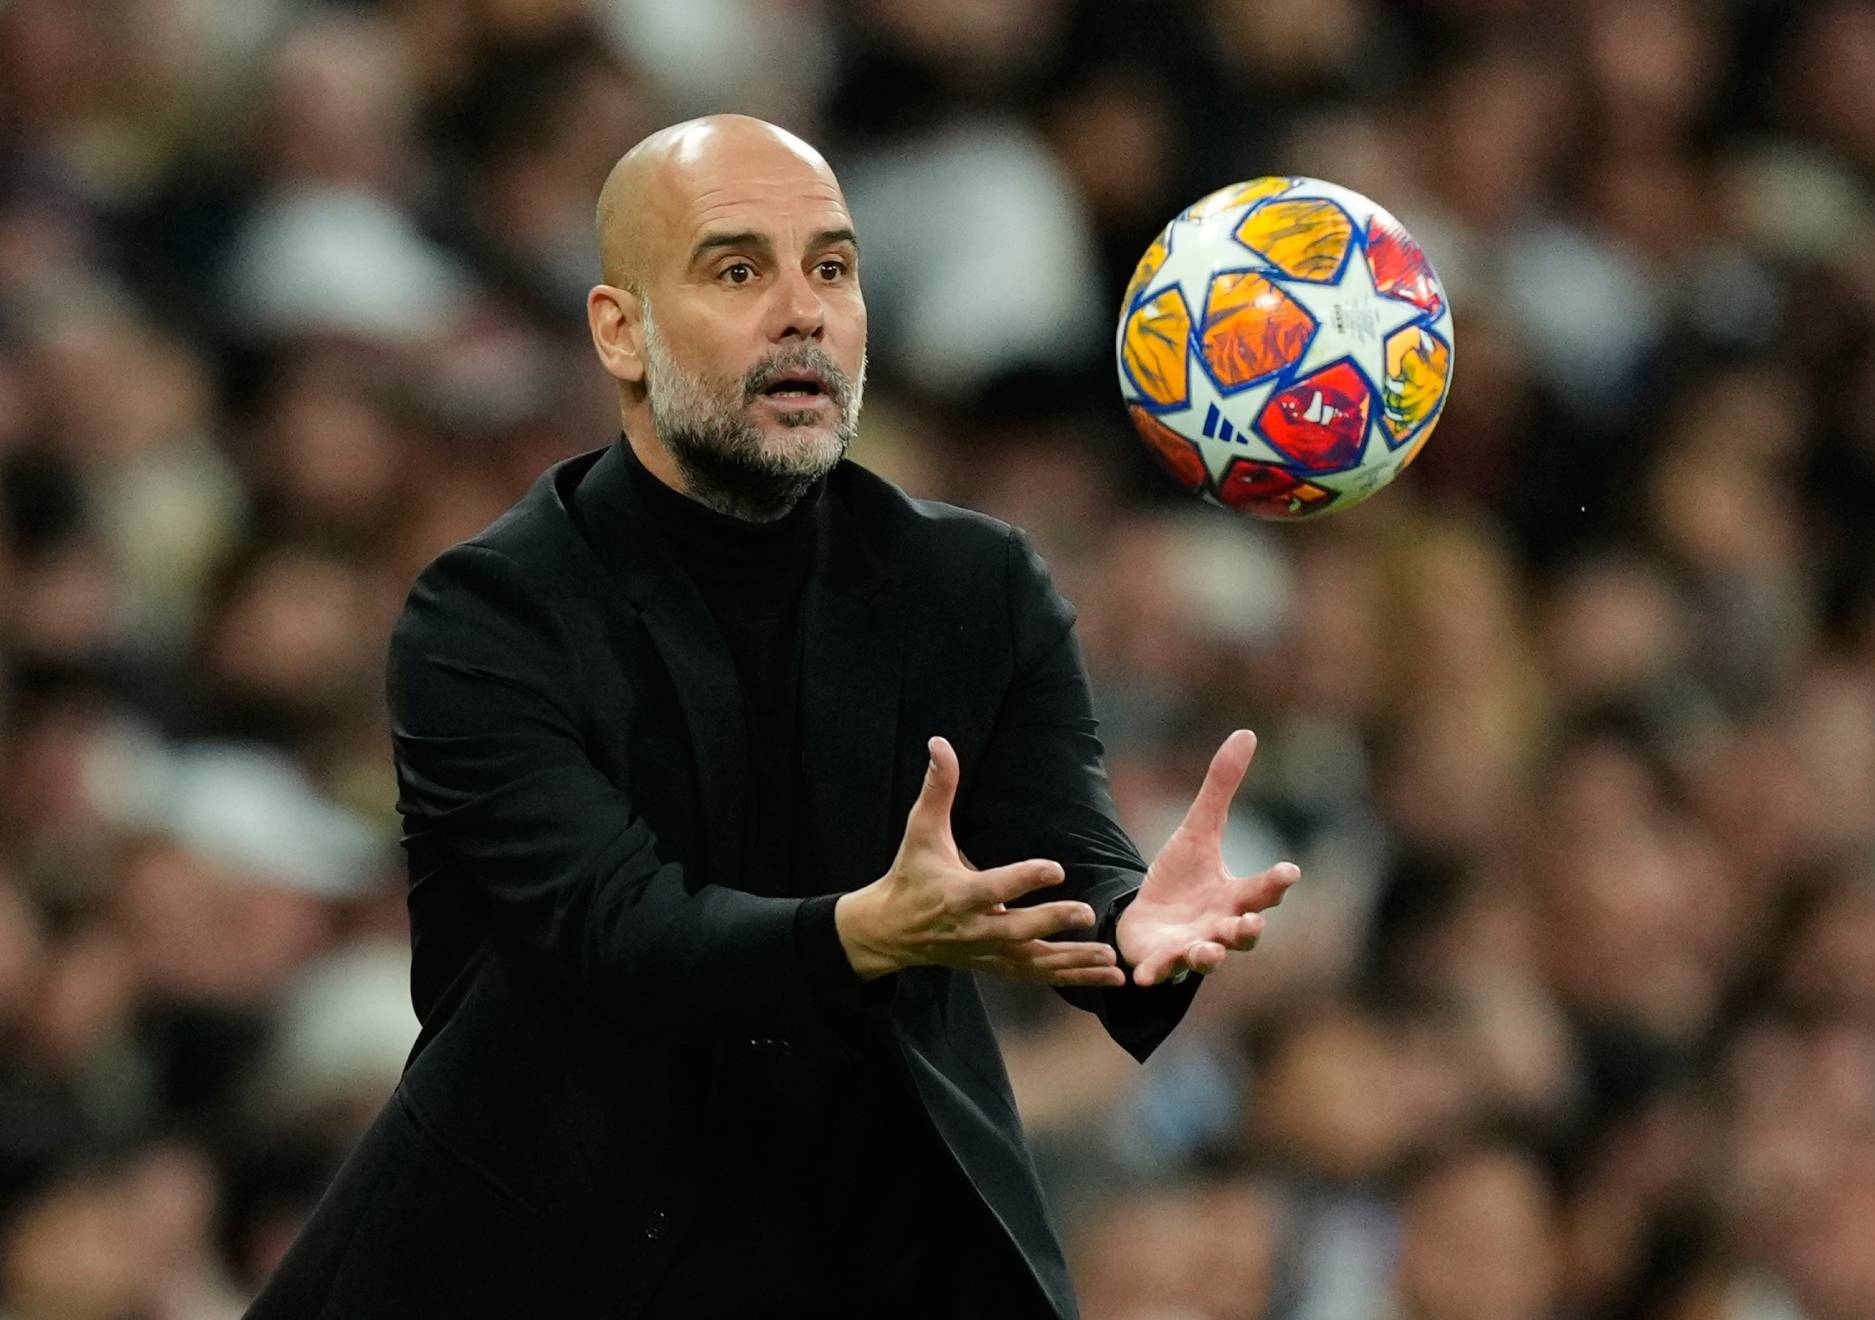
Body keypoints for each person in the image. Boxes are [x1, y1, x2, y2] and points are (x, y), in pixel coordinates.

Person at [246, 115, 1299, 1319]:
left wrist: (1137, 932)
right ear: (620, 330)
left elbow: (1060, 865)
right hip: (554, 1263)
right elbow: (620, 935)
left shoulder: (974, 585)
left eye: (833, 269)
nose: (803, 310)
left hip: (877, 1264)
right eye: (739, 269)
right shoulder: (488, 616)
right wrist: (864, 931)